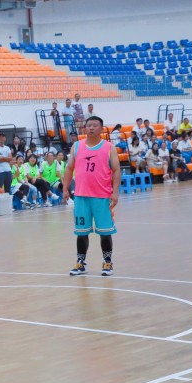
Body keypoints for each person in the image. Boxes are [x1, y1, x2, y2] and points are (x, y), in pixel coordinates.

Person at [63, 116, 120, 277]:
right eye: (89, 125)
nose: (91, 128)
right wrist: (65, 189)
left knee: (105, 231)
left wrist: (115, 192)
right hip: (81, 196)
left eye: (95, 125)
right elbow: (69, 168)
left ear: (101, 129)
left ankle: (107, 262)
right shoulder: (77, 146)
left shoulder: (109, 147)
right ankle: (81, 263)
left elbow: (116, 170)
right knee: (81, 232)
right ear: (84, 128)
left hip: (102, 197)